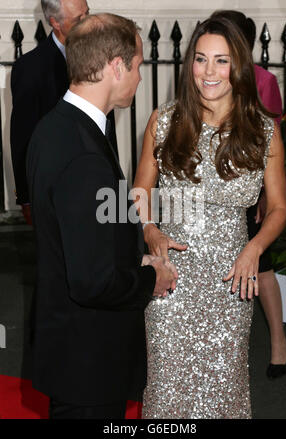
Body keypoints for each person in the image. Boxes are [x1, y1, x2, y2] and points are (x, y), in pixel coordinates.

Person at [133, 16, 286, 418]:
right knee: (166, 388)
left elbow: (279, 208)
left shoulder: (262, 131)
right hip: (171, 279)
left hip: (230, 278)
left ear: (238, 66)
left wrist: (254, 249)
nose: (209, 72)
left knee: (224, 387)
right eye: (201, 60)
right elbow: (139, 191)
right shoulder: (164, 121)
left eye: (221, 61)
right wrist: (150, 230)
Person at [26, 13, 177, 420]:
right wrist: (152, 277)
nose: (141, 77)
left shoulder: (54, 127)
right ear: (116, 66)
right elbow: (92, 282)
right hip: (88, 360)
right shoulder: (83, 154)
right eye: (139, 65)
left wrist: (134, 257)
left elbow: (79, 238)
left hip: (71, 345)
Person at [211, 10, 286, 380]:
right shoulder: (205, 76)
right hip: (212, 191)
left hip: (250, 188)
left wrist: (263, 195)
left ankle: (278, 342)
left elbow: (272, 138)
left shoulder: (263, 80)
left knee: (264, 265)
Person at [10, 0, 118, 225]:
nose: (88, 22)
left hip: (100, 188)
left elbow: (106, 128)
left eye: (88, 13)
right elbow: (22, 138)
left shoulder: (102, 60)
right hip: (56, 192)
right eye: (79, 19)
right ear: (54, 22)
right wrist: (27, 198)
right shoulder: (30, 69)